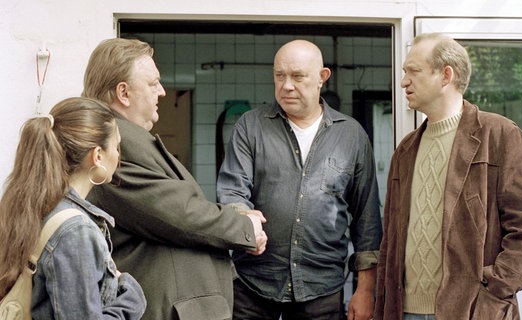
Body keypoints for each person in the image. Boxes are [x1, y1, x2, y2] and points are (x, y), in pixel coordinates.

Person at [82, 38, 267, 320]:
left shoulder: (128, 139)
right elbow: (178, 214)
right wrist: (243, 226)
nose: (163, 92)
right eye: (153, 83)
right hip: (168, 309)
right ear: (123, 93)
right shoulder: (113, 146)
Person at [374, 32, 522, 320]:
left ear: (446, 75)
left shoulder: (500, 136)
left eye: (414, 71)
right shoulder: (405, 150)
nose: (403, 81)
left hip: (471, 310)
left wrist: (495, 292)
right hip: (404, 311)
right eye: (404, 72)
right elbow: (391, 242)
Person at [217, 39, 382, 320]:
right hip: (253, 282)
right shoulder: (251, 125)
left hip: (322, 287)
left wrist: (366, 289)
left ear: (322, 77)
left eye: (297, 76)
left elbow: (367, 220)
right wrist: (246, 222)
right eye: (279, 75)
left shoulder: (351, 135)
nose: (287, 85)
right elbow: (232, 191)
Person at [0, 97, 146, 319]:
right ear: (97, 156)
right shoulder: (75, 231)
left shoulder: (34, 206)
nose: (118, 156)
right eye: (116, 146)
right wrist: (132, 297)